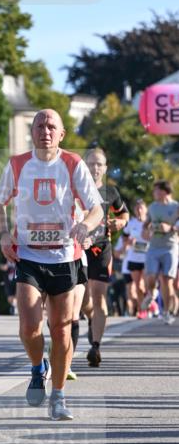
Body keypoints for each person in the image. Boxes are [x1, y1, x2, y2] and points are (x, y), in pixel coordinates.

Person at [0, 109, 103, 421]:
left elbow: (95, 208)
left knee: (61, 330)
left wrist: (86, 227)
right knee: (29, 326)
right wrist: (3, 234)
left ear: (62, 133)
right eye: (40, 125)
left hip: (64, 257)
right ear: (32, 131)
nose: (45, 130)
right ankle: (37, 366)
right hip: (28, 254)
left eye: (51, 125)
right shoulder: (17, 164)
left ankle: (58, 397)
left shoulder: (73, 164)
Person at [80, 148, 129, 367]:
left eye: (99, 164)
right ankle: (91, 319)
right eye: (91, 163)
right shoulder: (74, 190)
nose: (95, 168)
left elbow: (123, 213)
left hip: (101, 249)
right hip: (77, 250)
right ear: (84, 165)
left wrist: (121, 222)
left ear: (105, 168)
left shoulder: (111, 192)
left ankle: (95, 347)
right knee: (83, 301)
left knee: (99, 296)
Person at [142, 180, 179, 324]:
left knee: (167, 281)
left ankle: (166, 312)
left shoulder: (176, 207)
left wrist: (170, 228)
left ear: (164, 191)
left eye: (156, 190)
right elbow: (146, 224)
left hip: (170, 247)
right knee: (150, 278)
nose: (154, 193)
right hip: (153, 247)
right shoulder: (152, 207)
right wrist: (145, 231)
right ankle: (152, 293)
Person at [121, 199, 149, 317]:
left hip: (147, 258)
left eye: (141, 208)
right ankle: (142, 310)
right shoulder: (131, 223)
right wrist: (128, 242)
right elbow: (124, 238)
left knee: (144, 285)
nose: (139, 210)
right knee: (137, 286)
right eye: (137, 208)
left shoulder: (150, 223)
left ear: (145, 209)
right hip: (134, 258)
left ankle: (149, 301)